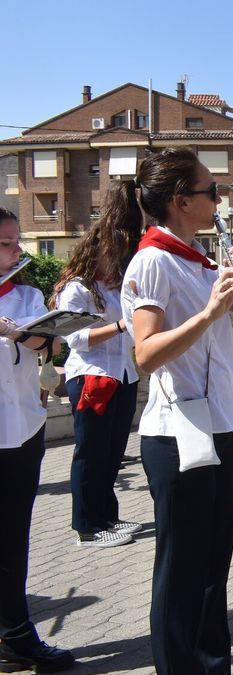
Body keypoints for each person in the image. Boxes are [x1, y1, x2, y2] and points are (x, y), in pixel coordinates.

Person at [121, 148, 233, 671]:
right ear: (181, 201)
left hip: (213, 425)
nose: (220, 199)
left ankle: (212, 666)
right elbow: (145, 354)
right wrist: (211, 310)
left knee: (214, 564)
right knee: (181, 569)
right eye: (211, 191)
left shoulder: (199, 260)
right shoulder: (152, 261)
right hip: (173, 431)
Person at [0, 208, 76, 673]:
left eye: (16, 241)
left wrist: (16, 331)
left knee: (11, 540)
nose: (16, 251)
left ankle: (16, 636)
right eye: (6, 244)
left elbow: (44, 344)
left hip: (21, 429)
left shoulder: (25, 295)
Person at [51, 183, 143, 549]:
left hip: (123, 374)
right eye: (113, 254)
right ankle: (87, 526)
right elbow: (76, 340)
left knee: (113, 453)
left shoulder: (115, 289)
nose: (118, 261)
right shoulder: (77, 289)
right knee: (90, 453)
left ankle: (108, 516)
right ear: (96, 253)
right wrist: (122, 325)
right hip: (93, 377)